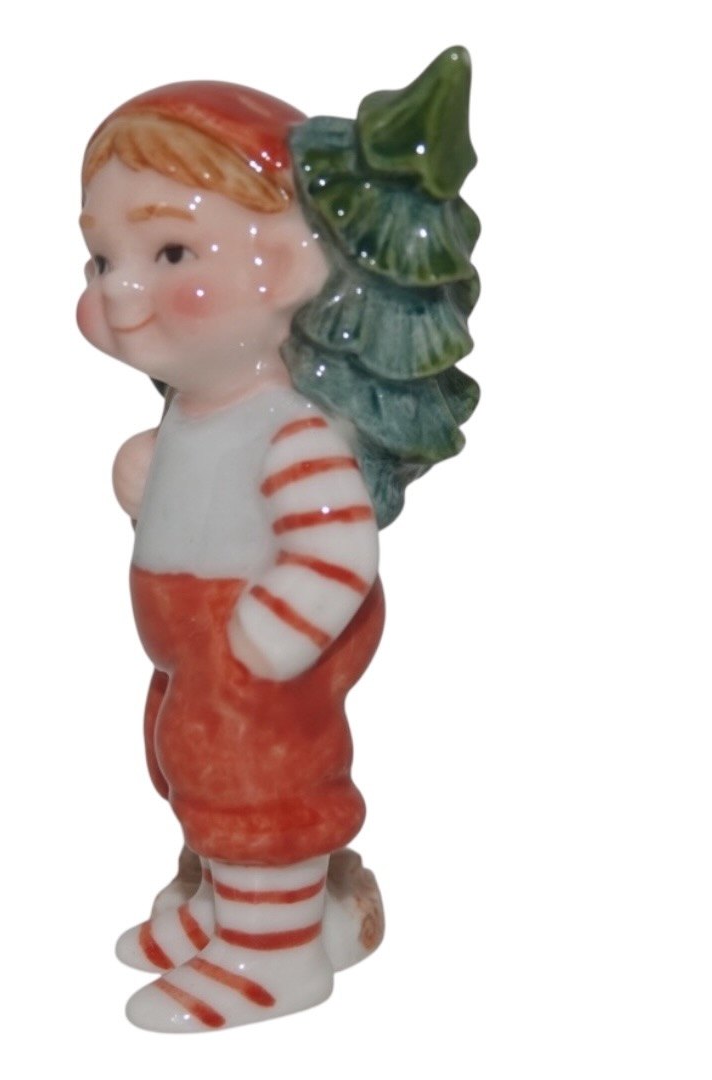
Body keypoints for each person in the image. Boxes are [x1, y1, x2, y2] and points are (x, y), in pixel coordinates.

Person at [77, 54, 478, 1032]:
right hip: (193, 655)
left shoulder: (290, 430)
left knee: (258, 788)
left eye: (171, 254)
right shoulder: (205, 413)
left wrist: (274, 634)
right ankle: (230, 906)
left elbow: (337, 543)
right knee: (188, 768)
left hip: (254, 662)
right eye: (101, 260)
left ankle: (274, 954)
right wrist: (149, 479)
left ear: (293, 267)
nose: (120, 290)